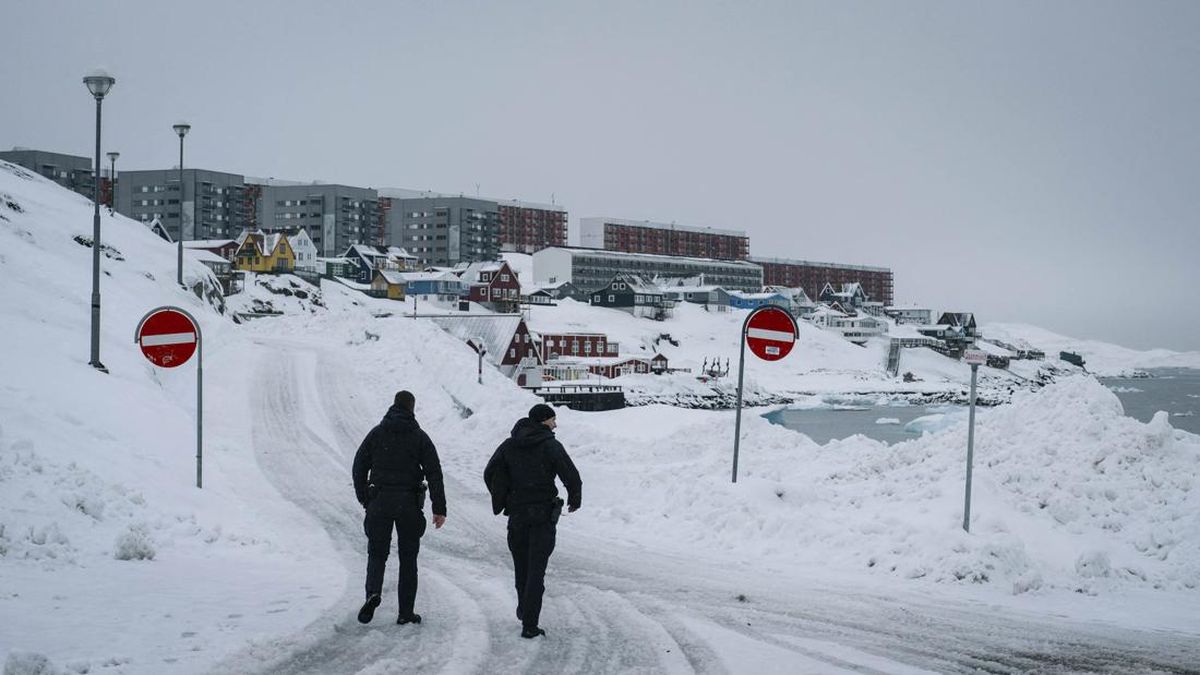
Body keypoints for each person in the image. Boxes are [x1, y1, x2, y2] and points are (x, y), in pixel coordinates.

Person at [484, 403, 582, 638]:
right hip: (542, 516)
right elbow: (571, 474)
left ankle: (523, 607)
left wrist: (503, 498)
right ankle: (530, 623)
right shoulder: (550, 445)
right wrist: (574, 498)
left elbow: (490, 472)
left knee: (522, 567)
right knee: (536, 571)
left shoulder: (509, 445)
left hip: (517, 515)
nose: (555, 424)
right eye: (552, 420)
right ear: (543, 421)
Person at [352, 390, 447, 625]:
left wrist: (365, 497)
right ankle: (405, 612)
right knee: (408, 558)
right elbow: (435, 473)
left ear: (393, 406)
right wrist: (439, 508)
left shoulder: (377, 433)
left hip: (380, 500)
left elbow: (358, 466)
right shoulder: (419, 437)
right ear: (412, 408)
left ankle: (373, 592)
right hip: (409, 503)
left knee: (376, 553)